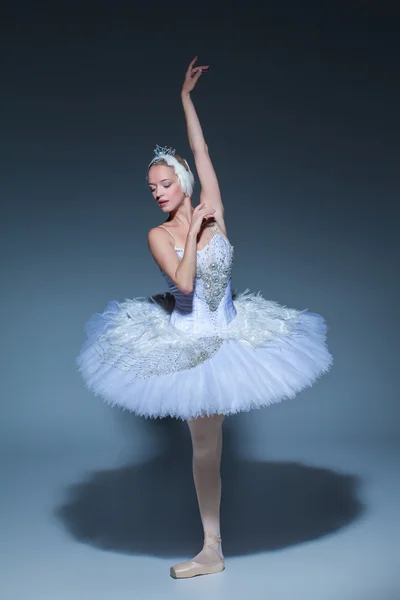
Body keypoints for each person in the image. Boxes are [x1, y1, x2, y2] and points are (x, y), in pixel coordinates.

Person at [76, 57, 333, 579]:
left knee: (211, 447)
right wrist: (192, 235)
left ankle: (213, 548)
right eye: (151, 187)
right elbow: (187, 284)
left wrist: (186, 100)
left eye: (164, 182)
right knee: (205, 448)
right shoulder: (159, 235)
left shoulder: (211, 202)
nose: (157, 192)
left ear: (183, 181)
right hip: (189, 339)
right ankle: (210, 547)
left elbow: (202, 150)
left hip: (233, 331)